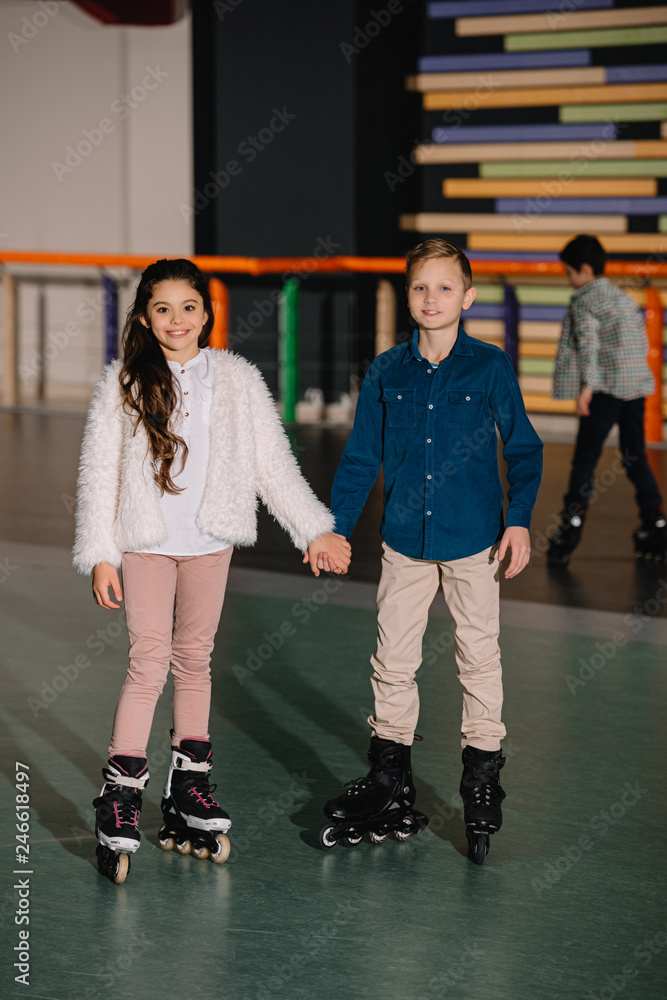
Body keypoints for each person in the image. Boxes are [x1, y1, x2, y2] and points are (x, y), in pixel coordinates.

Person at [72, 258, 350, 883]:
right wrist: (99, 555)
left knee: (194, 659)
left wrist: (315, 528)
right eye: (163, 309)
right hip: (144, 543)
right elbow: (99, 476)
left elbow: (272, 467)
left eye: (189, 307)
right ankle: (121, 792)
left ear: (207, 312)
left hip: (209, 542)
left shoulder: (237, 379)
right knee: (148, 660)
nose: (177, 319)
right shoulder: (122, 383)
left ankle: (187, 788)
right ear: (145, 316)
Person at [315, 238, 543, 863]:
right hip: (405, 544)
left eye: (445, 287)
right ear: (407, 297)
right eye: (420, 287)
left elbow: (524, 450)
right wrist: (334, 527)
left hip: (475, 543)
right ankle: (390, 774)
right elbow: (361, 457)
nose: (432, 298)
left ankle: (481, 779)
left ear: (467, 297)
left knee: (479, 658)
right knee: (392, 659)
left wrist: (518, 522)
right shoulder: (387, 372)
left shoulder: (490, 367)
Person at [548, 234, 666, 567]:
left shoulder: (585, 300)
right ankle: (655, 520)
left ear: (584, 270)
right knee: (635, 456)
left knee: (584, 461)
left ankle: (570, 527)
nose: (569, 280)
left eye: (570, 273)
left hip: (603, 390)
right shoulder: (622, 297)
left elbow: (588, 344)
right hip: (634, 389)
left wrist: (588, 386)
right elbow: (638, 342)